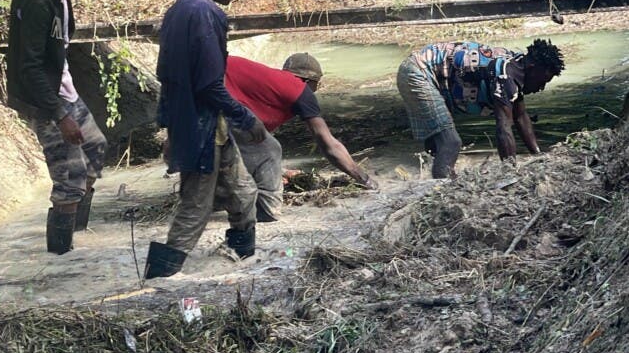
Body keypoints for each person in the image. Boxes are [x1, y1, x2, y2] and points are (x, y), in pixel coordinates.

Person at [146, 0, 268, 279]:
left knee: (244, 191)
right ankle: (160, 280)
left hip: (204, 123)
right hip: (201, 125)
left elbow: (166, 73)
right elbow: (210, 85)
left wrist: (168, 124)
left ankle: (242, 263)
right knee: (195, 208)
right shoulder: (207, 15)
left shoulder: (179, 9)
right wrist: (246, 116)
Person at [7, 0, 107, 255]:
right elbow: (29, 66)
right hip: (44, 100)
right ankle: (60, 260)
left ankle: (77, 235)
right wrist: (60, 114)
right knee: (70, 177)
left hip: (62, 88)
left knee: (95, 149)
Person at [224, 53, 377, 222]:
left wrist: (279, 172)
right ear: (307, 81)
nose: (314, 92)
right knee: (270, 149)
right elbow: (329, 145)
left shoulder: (268, 86)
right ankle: (267, 211)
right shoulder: (298, 88)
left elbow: (245, 150)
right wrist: (363, 178)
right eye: (315, 86)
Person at [397, 38, 565, 178]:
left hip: (422, 71)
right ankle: (440, 192)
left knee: (438, 145)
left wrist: (539, 156)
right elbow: (504, 127)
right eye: (542, 81)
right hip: (419, 72)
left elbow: (520, 117)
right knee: (451, 143)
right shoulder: (505, 75)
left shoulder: (517, 65)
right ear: (532, 68)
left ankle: (430, 179)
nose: (541, 88)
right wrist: (511, 173)